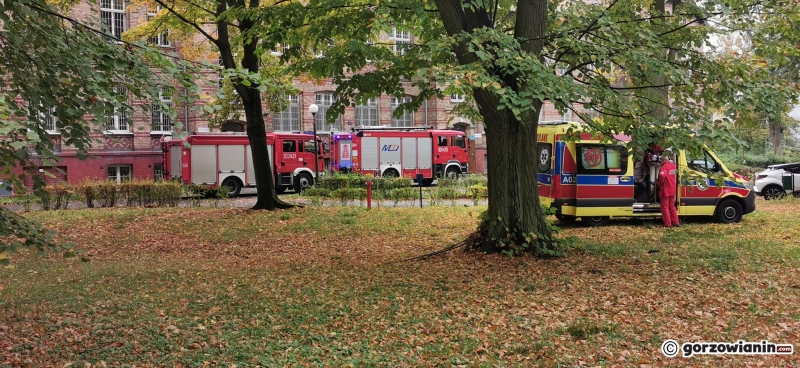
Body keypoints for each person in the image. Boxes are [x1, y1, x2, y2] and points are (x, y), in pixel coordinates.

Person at [657, 154, 679, 227]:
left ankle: (667, 223)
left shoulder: (664, 167)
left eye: (661, 160)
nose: (660, 161)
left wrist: (659, 183)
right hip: (672, 189)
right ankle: (675, 222)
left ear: (663, 160)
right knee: (672, 206)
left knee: (664, 207)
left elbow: (662, 176)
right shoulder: (673, 166)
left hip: (665, 189)